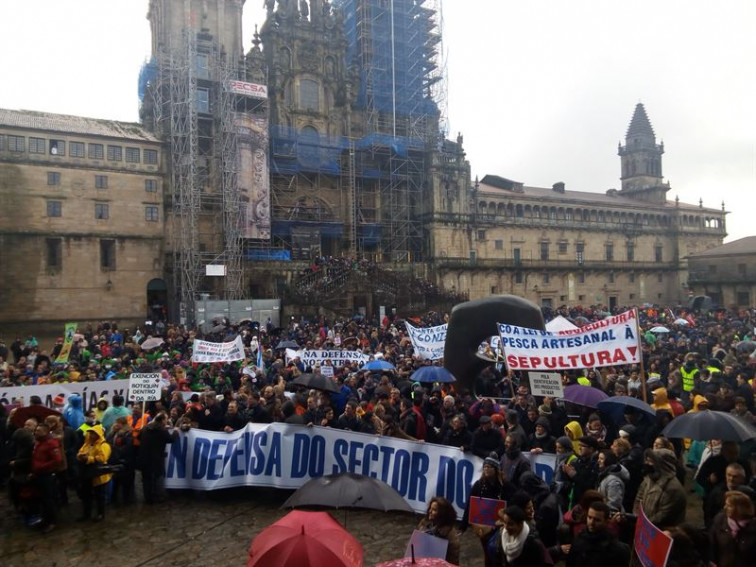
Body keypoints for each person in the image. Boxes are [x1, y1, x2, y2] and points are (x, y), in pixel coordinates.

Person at [565, 501, 630, 567]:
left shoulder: (617, 550)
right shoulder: (578, 541)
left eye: (597, 520)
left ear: (607, 522)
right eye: (589, 517)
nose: (591, 522)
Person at [634, 448, 687, 529]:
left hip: (662, 532)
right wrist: (637, 515)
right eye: (646, 460)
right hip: (645, 528)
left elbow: (663, 516)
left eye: (651, 461)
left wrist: (644, 524)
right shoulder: (648, 479)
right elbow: (639, 498)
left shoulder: (673, 489)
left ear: (662, 465)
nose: (646, 464)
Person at [138, 411, 178, 504]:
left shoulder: (145, 428)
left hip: (144, 457)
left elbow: (138, 437)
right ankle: (159, 496)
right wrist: (175, 431)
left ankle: (147, 497)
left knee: (146, 478)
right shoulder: (162, 431)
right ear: (163, 420)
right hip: (157, 458)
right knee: (158, 477)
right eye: (166, 419)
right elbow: (171, 439)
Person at [30, 422, 63, 533]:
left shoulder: (51, 443)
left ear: (45, 432)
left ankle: (52, 522)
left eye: (38, 431)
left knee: (49, 500)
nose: (36, 432)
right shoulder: (38, 442)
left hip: (47, 475)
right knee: (42, 499)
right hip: (39, 475)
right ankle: (45, 519)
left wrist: (42, 467)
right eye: (36, 430)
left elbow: (57, 460)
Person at [709, 490, 756, 567]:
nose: (725, 508)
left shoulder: (753, 528)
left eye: (729, 506)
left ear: (741, 508)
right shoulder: (720, 520)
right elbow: (712, 545)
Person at [76, 424, 113, 522]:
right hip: (87, 473)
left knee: (99, 495)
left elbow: (102, 458)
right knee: (86, 495)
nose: (91, 435)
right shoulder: (87, 444)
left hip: (98, 474)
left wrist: (88, 458)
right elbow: (80, 451)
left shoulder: (104, 445)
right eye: (90, 433)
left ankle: (100, 514)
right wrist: (80, 456)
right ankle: (86, 514)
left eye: (94, 433)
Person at [417, 496, 460, 565]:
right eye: (430, 508)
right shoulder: (424, 523)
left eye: (434, 510)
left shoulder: (450, 535)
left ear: (442, 513)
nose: (430, 511)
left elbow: (453, 560)